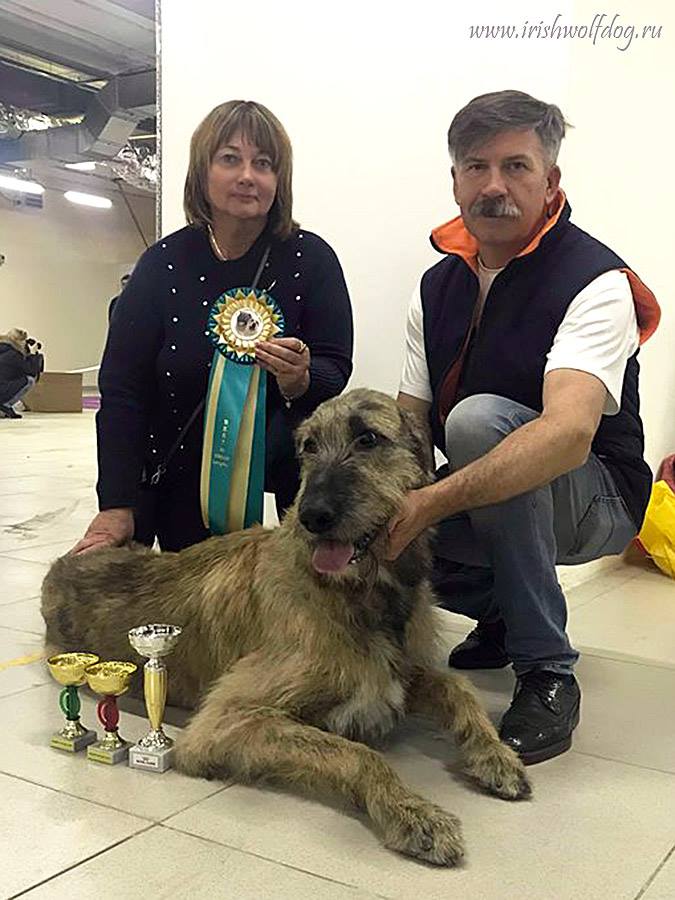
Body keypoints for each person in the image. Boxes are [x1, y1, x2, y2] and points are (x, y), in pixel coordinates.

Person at [389, 90, 660, 764]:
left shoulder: (593, 279)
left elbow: (567, 435)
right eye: (475, 167)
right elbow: (409, 421)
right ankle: (503, 614)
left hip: (597, 499)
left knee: (481, 421)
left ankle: (545, 671)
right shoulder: (435, 285)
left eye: (515, 167)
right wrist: (389, 510)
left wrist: (429, 504)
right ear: (454, 180)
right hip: (501, 490)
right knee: (380, 536)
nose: (493, 187)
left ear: (550, 183)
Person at [74, 100, 353, 555]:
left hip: (293, 489)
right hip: (176, 470)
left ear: (278, 180)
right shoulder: (161, 264)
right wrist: (116, 503)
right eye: (230, 159)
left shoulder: (313, 259)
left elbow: (335, 367)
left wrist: (301, 378)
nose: (248, 175)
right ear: (201, 172)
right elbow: (123, 390)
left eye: (263, 164)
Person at [0, 328, 44, 419]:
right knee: (29, 380)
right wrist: (33, 354)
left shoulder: (4, 350)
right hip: (2, 390)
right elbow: (32, 371)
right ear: (18, 341)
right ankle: (5, 405)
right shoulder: (13, 354)